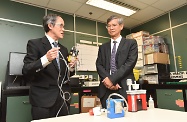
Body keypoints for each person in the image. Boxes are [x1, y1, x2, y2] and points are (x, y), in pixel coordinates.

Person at [22, 13, 77, 120]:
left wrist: (71, 68)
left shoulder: (63, 49)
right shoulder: (35, 44)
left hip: (63, 99)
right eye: (60, 25)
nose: (63, 29)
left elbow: (65, 76)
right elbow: (26, 70)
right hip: (43, 100)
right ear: (50, 26)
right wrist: (46, 59)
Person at [96, 15, 138, 108]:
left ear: (121, 26)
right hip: (106, 89)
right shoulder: (103, 47)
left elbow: (130, 63)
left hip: (124, 88)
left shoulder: (131, 43)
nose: (111, 28)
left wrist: (112, 80)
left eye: (114, 25)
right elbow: (99, 65)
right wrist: (108, 82)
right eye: (109, 26)